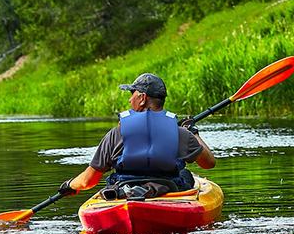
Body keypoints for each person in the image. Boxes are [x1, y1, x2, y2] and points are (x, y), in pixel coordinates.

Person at [58, 72, 215, 199]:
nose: (129, 98)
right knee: (185, 173)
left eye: (132, 93)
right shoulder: (180, 134)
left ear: (142, 98)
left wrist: (70, 185)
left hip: (124, 192)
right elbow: (209, 163)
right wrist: (192, 132)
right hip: (168, 190)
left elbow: (88, 181)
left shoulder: (116, 134)